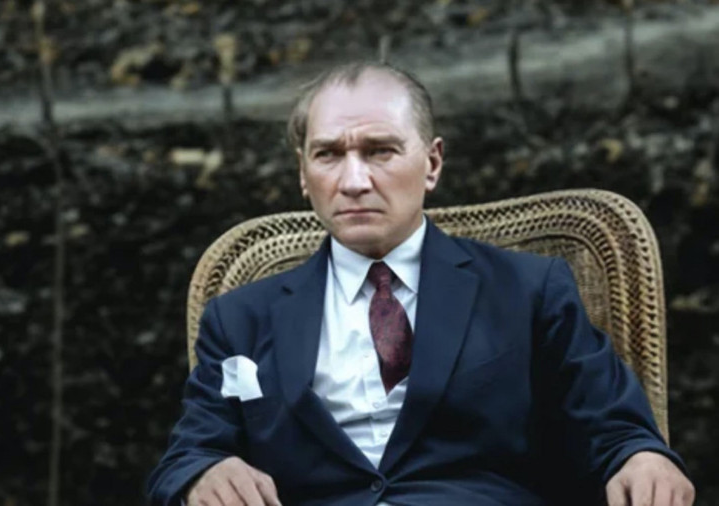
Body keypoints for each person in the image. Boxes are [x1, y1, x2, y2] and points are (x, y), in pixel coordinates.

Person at [147, 62, 695, 506]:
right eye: (328, 154)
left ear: (432, 163)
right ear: (302, 173)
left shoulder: (529, 289)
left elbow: (611, 424)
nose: (354, 180)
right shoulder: (240, 318)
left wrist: (641, 458)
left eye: (380, 151)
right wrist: (204, 471)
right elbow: (189, 453)